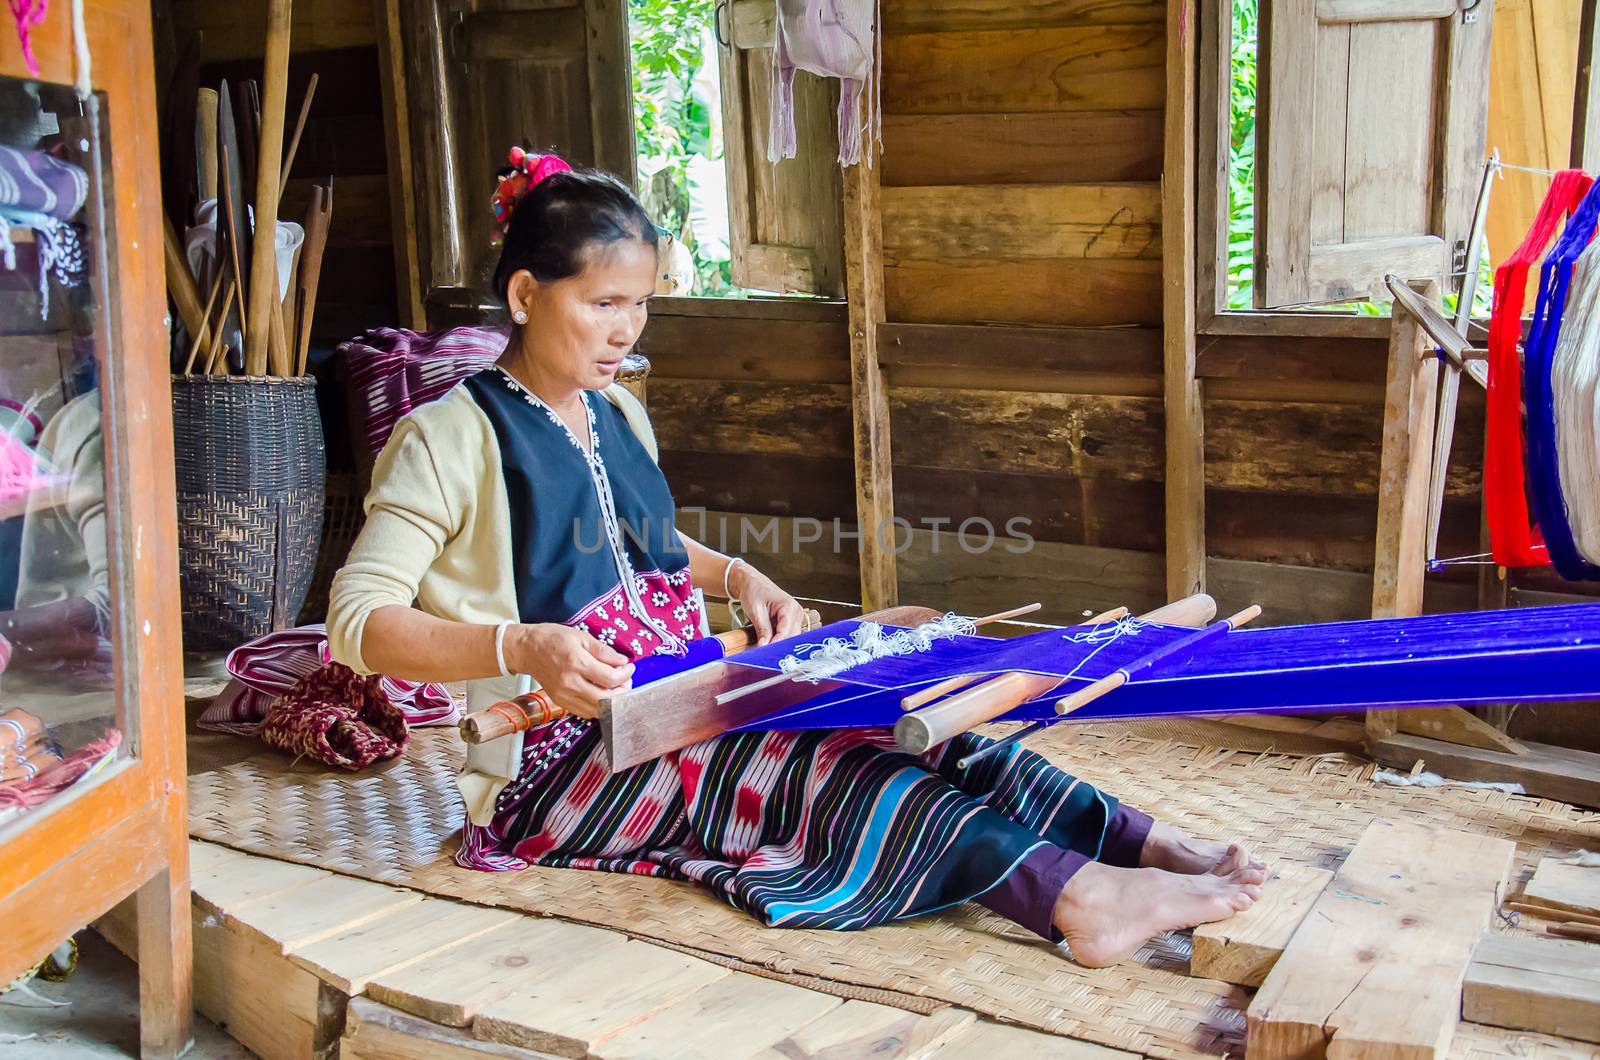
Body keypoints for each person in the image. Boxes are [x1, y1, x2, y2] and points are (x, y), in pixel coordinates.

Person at [326, 150, 1264, 966]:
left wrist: (738, 577)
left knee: (926, 730)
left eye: (641, 305)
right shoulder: (446, 438)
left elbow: (637, 547)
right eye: (603, 302)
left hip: (692, 695)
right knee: (825, 768)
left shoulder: (616, 414)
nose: (627, 330)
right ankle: (1076, 902)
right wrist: (524, 648)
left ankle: (1143, 845)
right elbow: (358, 625)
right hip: (569, 765)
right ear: (527, 294)